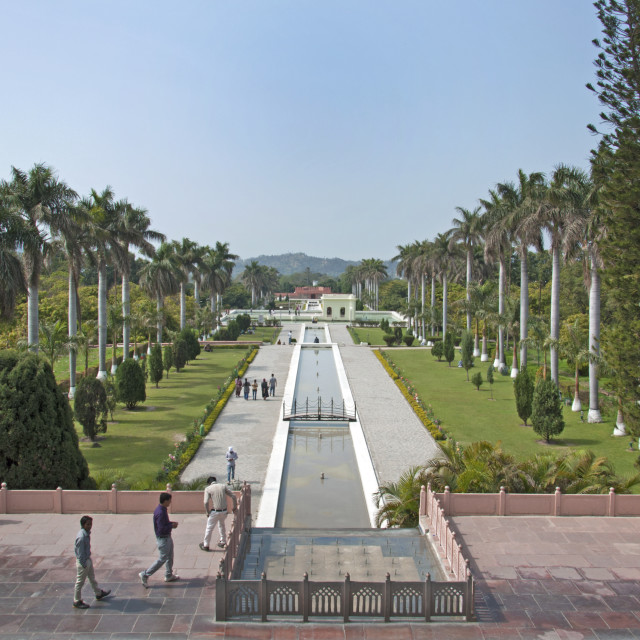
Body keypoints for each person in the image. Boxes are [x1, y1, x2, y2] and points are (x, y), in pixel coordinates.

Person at [139, 493, 179, 587]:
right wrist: (171, 526)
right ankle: (145, 574)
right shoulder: (161, 512)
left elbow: (164, 524)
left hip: (166, 538)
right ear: (165, 501)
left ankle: (169, 575)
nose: (170, 502)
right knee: (162, 559)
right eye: (169, 500)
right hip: (163, 539)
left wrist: (170, 524)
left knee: (170, 556)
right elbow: (161, 529)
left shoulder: (162, 510)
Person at [73, 516, 110, 609]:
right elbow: (80, 553)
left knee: (92, 578)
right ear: (83, 525)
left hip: (87, 559)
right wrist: (84, 564)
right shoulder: (81, 537)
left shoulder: (85, 533)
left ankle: (98, 593)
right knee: (80, 582)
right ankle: (76, 600)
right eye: (88, 524)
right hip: (84, 562)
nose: (90, 526)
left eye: (90, 524)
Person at [199, 475, 238, 551]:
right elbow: (233, 496)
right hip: (224, 511)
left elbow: (206, 502)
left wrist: (207, 512)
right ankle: (223, 541)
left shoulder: (208, 489)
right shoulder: (223, 486)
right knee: (221, 525)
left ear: (209, 483)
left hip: (215, 511)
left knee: (209, 528)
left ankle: (206, 545)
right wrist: (234, 507)